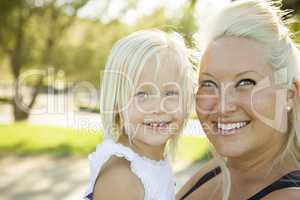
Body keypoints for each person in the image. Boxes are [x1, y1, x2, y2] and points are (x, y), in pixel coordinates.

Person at [177, 0, 300, 200]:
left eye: (245, 82)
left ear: (289, 94)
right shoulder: (216, 171)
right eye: (209, 83)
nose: (223, 106)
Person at [84, 29, 195, 200]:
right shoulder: (122, 179)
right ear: (116, 103)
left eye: (171, 93)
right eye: (142, 94)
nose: (159, 107)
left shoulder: (149, 160)